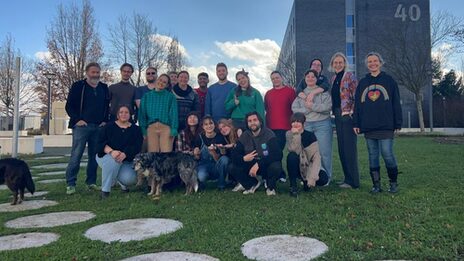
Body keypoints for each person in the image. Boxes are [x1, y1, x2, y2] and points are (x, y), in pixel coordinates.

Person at [353, 52, 402, 193]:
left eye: (375, 61)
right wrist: (356, 123)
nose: (372, 64)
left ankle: (393, 183)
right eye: (370, 62)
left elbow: (395, 103)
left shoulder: (389, 81)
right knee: (372, 156)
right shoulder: (362, 83)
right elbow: (358, 105)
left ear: (380, 62)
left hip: (386, 125)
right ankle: (376, 185)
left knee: (387, 153)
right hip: (369, 126)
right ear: (367, 64)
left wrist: (398, 123)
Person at [64, 62, 110, 195]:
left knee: (94, 156)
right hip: (82, 127)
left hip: (98, 127)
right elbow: (69, 106)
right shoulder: (79, 86)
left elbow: (107, 106)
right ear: (87, 73)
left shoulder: (103, 87)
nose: (95, 74)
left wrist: (104, 120)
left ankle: (91, 182)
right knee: (76, 155)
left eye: (97, 72)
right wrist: (77, 119)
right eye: (93, 72)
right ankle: (71, 183)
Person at [292, 69, 333, 181]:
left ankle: (326, 178)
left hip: (323, 124)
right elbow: (295, 109)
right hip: (307, 125)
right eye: (308, 77)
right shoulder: (301, 94)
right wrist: (308, 109)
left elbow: (327, 107)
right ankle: (306, 176)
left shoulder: (323, 93)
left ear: (316, 79)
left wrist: (313, 106)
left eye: (313, 77)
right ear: (305, 79)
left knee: (324, 152)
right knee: (306, 152)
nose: (310, 78)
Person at [230, 112, 283, 196]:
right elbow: (234, 154)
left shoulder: (269, 134)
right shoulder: (245, 136)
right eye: (250, 121)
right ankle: (251, 184)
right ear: (247, 124)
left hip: (265, 164)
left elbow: (277, 154)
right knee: (232, 167)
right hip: (250, 164)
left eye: (255, 120)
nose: (252, 123)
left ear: (260, 122)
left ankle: (270, 186)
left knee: (276, 166)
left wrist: (258, 164)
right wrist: (244, 158)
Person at [96, 105, 143, 198]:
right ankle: (105, 190)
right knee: (113, 161)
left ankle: (119, 180)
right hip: (107, 156)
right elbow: (99, 144)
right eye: (121, 112)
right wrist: (112, 152)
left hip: (126, 160)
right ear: (117, 115)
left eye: (126, 112)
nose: (123, 114)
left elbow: (137, 147)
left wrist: (125, 154)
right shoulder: (108, 127)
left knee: (129, 179)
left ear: (130, 115)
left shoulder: (136, 130)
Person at [329, 52, 360, 189]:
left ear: (344, 63)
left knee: (349, 149)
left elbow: (357, 97)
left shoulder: (350, 77)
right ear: (332, 64)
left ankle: (354, 181)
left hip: (348, 116)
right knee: (342, 148)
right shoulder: (334, 78)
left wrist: (353, 115)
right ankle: (347, 178)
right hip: (337, 114)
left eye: (340, 62)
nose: (338, 64)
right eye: (335, 62)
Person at [286, 112, 329, 197]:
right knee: (291, 156)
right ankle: (293, 186)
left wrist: (312, 178)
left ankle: (307, 182)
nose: (295, 124)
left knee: (324, 178)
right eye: (293, 122)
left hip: (308, 166)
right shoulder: (289, 134)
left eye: (298, 121)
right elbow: (295, 150)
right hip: (296, 166)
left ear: (303, 123)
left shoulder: (310, 135)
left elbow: (316, 157)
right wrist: (296, 135)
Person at [264, 70, 296, 182]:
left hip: (284, 126)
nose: (275, 80)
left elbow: (294, 109)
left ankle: (280, 174)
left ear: (282, 78)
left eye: (277, 77)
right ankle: (278, 172)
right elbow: (266, 109)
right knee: (270, 151)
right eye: (273, 78)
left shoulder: (290, 91)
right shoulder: (268, 93)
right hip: (270, 127)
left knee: (278, 150)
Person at [139, 74, 178, 153]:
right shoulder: (147, 96)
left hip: (166, 128)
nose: (161, 83)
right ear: (157, 80)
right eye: (160, 80)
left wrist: (174, 128)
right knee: (152, 155)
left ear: (167, 85)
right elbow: (142, 114)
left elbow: (173, 113)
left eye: (164, 82)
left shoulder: (170, 97)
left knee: (166, 154)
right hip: (151, 128)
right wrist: (143, 128)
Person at [194, 116, 229, 191]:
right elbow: (197, 158)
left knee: (225, 159)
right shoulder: (199, 137)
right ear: (203, 127)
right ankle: (201, 185)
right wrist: (196, 153)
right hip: (203, 165)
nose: (209, 126)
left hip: (216, 166)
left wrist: (213, 152)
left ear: (214, 125)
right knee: (201, 176)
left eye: (211, 123)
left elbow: (221, 159)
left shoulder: (220, 137)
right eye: (206, 124)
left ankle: (221, 185)